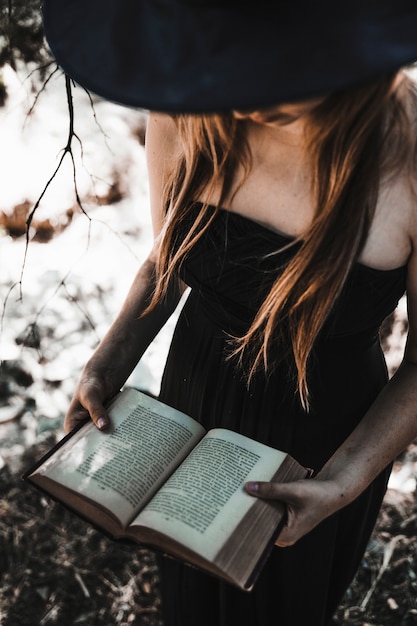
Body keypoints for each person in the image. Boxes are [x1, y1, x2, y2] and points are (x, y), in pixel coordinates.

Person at [42, 1, 417, 624]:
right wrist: (110, 359)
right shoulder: (191, 105)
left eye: (267, 72)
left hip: (324, 440)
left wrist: (339, 486)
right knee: (191, 599)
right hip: (193, 394)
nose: (241, 104)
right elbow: (168, 261)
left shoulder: (407, 161)